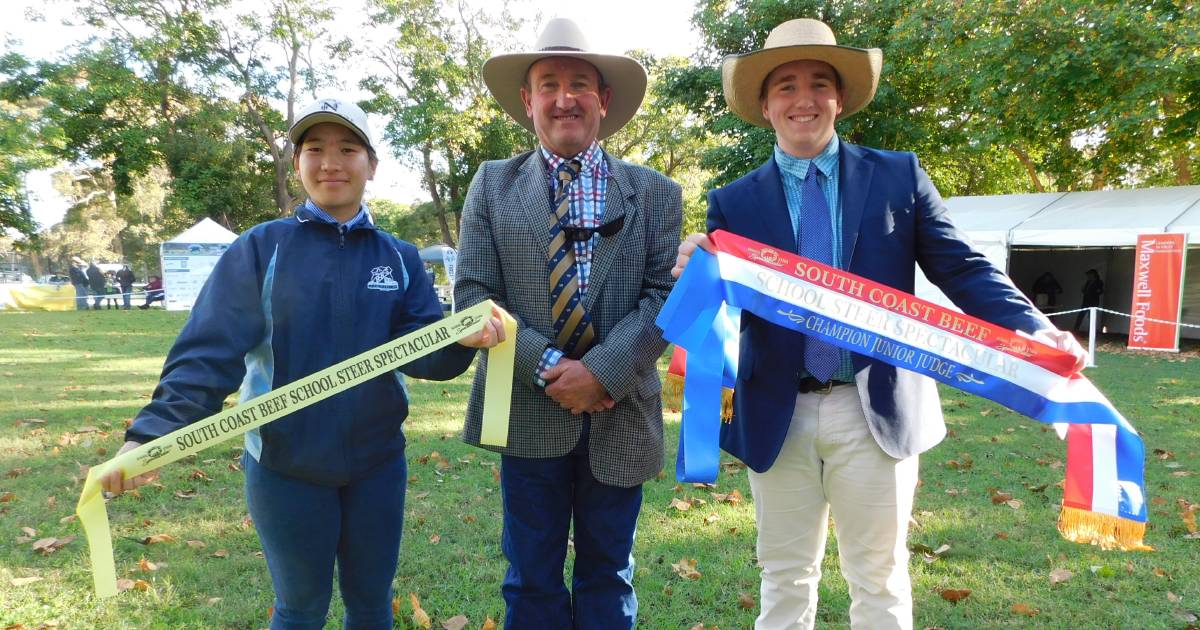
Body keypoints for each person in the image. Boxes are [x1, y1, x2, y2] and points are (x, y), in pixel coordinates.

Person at [671, 19, 1085, 630]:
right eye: (785, 86)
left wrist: (1032, 327)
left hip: (876, 407)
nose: (803, 99)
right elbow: (722, 307)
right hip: (775, 413)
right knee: (783, 577)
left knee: (880, 578)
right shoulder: (733, 200)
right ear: (764, 105)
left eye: (819, 83)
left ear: (840, 98)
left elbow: (963, 267)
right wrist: (693, 274)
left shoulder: (898, 175)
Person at [97, 97, 508, 630]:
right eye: (314, 149)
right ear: (297, 165)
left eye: (348, 149)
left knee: (370, 605)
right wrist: (147, 436)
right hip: (283, 464)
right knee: (299, 609)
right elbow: (207, 352)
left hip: (377, 464)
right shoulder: (261, 249)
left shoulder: (399, 257)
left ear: (371, 166)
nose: (330, 162)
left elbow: (424, 352)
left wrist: (462, 340)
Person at [454, 18, 682, 629]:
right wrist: (556, 370)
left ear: (603, 101)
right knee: (530, 577)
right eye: (548, 83)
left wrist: (603, 374)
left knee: (610, 574)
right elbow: (475, 296)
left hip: (622, 413)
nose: (564, 97)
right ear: (527, 101)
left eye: (580, 83)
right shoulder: (492, 185)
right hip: (528, 413)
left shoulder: (654, 192)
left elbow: (666, 294)